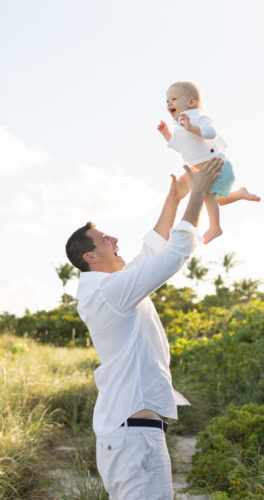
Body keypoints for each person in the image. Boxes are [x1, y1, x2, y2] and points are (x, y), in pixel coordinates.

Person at [65, 158, 223, 500]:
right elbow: (175, 252)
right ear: (90, 257)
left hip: (130, 437)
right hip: (135, 439)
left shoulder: (107, 287)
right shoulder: (110, 292)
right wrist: (197, 196)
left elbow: (152, 248)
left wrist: (175, 197)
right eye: (105, 239)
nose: (114, 239)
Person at [158, 81, 260, 244]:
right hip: (209, 170)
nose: (169, 103)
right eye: (167, 101)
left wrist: (193, 129)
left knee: (206, 195)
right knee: (218, 200)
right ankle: (240, 193)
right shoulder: (180, 126)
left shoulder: (199, 117)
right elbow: (182, 148)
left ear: (191, 102)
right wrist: (166, 134)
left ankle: (215, 228)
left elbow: (210, 133)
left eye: (174, 99)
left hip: (218, 166)